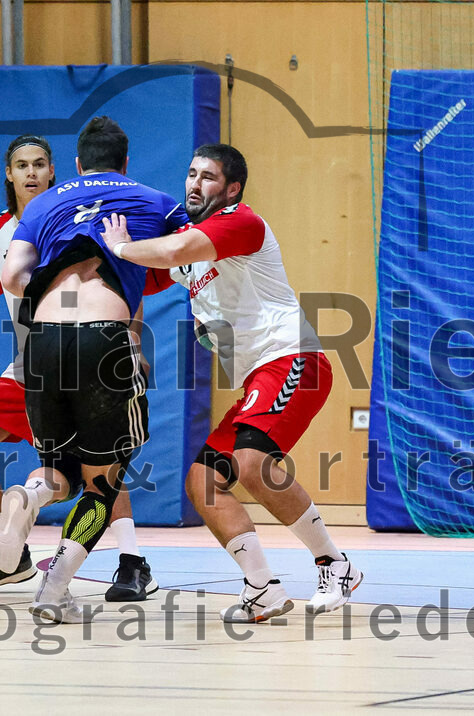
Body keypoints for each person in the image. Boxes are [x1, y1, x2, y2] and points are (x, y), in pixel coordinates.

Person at [100, 143, 363, 623]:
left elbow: (170, 250)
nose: (195, 184)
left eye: (208, 177)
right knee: (203, 483)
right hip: (256, 379)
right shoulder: (187, 248)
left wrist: (117, 245)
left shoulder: (242, 222)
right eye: (191, 173)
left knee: (250, 462)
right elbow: (137, 276)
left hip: (293, 359)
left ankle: (334, 565)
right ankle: (262, 588)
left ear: (232, 189)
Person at [0, 134, 157, 600]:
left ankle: (131, 560)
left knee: (98, 462)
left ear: (59, 171)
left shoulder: (83, 215)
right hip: (33, 364)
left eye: (41, 163)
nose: (32, 173)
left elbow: (126, 281)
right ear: (9, 175)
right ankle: (10, 555)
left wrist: (132, 341)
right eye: (23, 165)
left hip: (91, 350)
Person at [0, 116, 188, 623]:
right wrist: (125, 253)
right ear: (125, 163)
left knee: (56, 472)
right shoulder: (154, 200)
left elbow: (14, 278)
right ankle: (52, 588)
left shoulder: (41, 204)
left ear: (77, 165)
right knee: (102, 483)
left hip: (41, 342)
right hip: (102, 339)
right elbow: (194, 256)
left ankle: (26, 496)